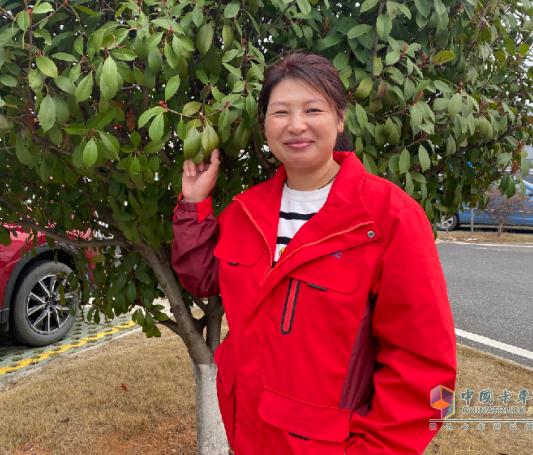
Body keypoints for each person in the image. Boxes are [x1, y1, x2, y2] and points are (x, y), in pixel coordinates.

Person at [171, 52, 457, 455]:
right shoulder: (245, 211)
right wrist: (194, 205)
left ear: (339, 119)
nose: (296, 125)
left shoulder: (387, 217)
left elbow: (427, 369)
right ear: (266, 126)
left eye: (313, 109)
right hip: (249, 434)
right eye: (281, 111)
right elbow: (204, 279)